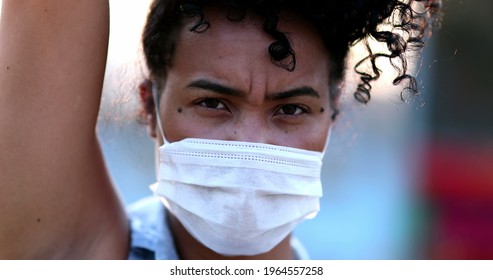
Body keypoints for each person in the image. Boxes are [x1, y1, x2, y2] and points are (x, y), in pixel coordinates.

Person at [0, 0, 441, 259]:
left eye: (290, 109)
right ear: (149, 110)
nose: (250, 144)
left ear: (332, 118)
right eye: (212, 103)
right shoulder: (75, 252)